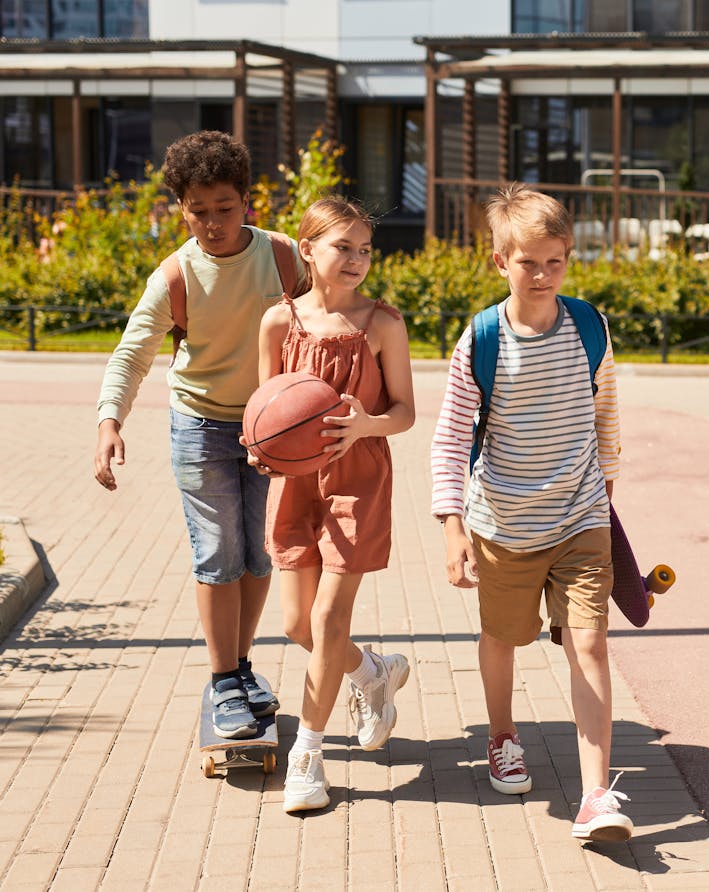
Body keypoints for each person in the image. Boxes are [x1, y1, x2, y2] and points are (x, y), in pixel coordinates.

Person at [429, 183, 632, 842]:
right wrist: (452, 523)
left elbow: (604, 408)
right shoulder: (483, 339)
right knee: (503, 639)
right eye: (528, 263)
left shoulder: (588, 324)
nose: (543, 275)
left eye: (555, 261)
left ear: (569, 257)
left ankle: (597, 794)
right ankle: (502, 735)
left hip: (580, 518)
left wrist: (606, 486)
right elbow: (452, 435)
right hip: (504, 526)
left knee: (591, 643)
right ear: (500, 263)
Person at [94, 130, 303, 740]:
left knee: (258, 555)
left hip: (272, 429)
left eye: (225, 209)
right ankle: (222, 681)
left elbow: (324, 324)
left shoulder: (285, 259)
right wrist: (110, 420)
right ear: (180, 209)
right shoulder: (175, 275)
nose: (212, 223)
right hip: (201, 425)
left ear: (248, 202)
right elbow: (133, 353)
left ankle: (240, 667)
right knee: (218, 553)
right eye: (199, 211)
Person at [251, 197, 416, 814]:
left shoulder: (383, 325)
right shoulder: (278, 323)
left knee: (326, 620)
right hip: (295, 485)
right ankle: (372, 670)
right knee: (299, 625)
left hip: (358, 480)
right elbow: (265, 406)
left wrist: (364, 425)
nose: (355, 259)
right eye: (342, 246)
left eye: (365, 249)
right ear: (307, 249)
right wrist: (260, 447)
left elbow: (405, 412)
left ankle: (308, 756)